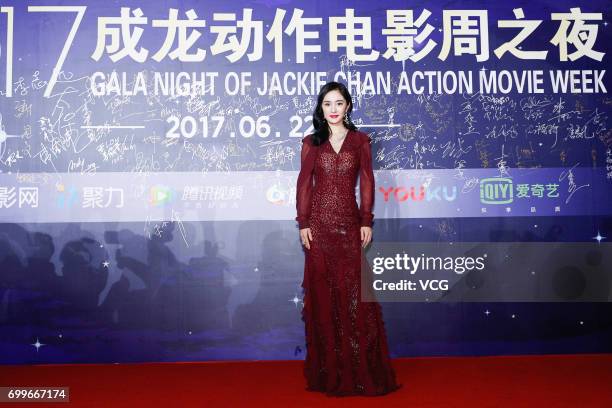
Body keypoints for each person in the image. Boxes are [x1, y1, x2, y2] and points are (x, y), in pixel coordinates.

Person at [296, 81, 402, 396]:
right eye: (327, 104)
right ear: (321, 108)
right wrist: (303, 223)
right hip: (319, 227)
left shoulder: (360, 141)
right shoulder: (311, 142)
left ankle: (361, 370)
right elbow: (304, 185)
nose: (333, 109)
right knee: (325, 298)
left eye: (338, 103)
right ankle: (331, 372)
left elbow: (367, 181)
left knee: (355, 299)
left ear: (348, 106)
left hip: (349, 224)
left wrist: (366, 219)